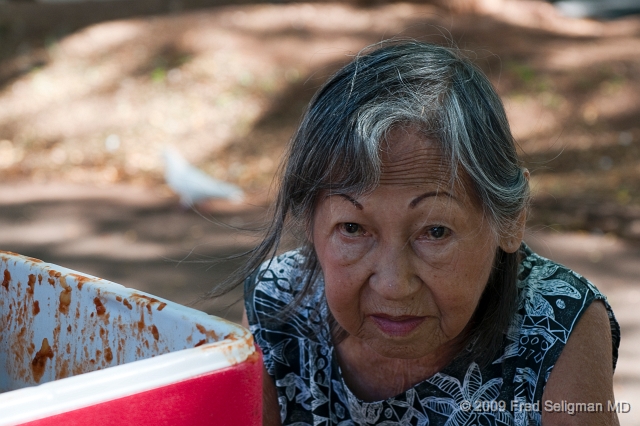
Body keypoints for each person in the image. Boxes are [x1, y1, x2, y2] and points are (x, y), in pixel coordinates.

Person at [238, 40, 620, 425]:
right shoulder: (276, 309)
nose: (393, 284)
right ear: (309, 223)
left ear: (512, 219)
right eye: (352, 228)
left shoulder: (557, 324)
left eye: (435, 231)